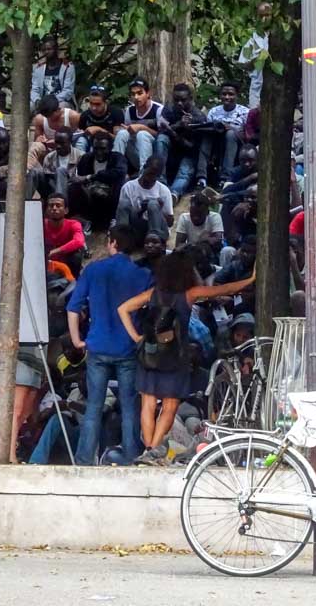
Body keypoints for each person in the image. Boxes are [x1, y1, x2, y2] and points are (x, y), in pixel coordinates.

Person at [118, 251, 255, 464]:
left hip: (150, 354)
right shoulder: (189, 295)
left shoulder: (153, 293)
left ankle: (148, 451)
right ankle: (152, 452)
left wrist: (137, 338)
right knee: (170, 405)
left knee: (148, 403)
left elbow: (123, 308)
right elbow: (223, 289)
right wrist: (251, 279)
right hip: (175, 356)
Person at [65, 226, 154, 465]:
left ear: (112, 242)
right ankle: (130, 458)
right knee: (129, 407)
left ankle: (84, 460)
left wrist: (76, 340)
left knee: (93, 406)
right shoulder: (143, 274)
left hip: (98, 347)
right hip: (128, 348)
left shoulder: (93, 270)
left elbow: (73, 308)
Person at [160, 83, 214, 195]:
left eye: (183, 100)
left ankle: (173, 194)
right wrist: (179, 125)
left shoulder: (198, 116)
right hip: (171, 152)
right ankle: (160, 180)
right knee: (161, 138)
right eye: (176, 100)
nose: (179, 103)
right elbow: (161, 131)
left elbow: (195, 148)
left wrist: (187, 129)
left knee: (184, 172)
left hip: (189, 154)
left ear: (190, 99)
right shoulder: (169, 109)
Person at [71, 131, 128, 229]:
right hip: (90, 194)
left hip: (111, 194)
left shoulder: (117, 157)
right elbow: (80, 177)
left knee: (122, 180)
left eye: (103, 148)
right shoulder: (86, 158)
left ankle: (113, 219)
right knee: (74, 185)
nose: (99, 152)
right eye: (96, 148)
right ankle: (81, 220)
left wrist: (91, 177)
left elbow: (120, 172)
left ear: (110, 148)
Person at [116, 156, 174, 242]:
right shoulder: (128, 187)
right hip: (137, 228)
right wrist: (142, 209)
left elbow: (170, 223)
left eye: (154, 175)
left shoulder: (164, 191)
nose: (149, 177)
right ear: (144, 167)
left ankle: (153, 241)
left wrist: (159, 209)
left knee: (153, 204)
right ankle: (122, 239)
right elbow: (122, 212)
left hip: (159, 230)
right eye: (149, 173)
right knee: (124, 203)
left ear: (159, 175)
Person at [116, 77, 167, 168]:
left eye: (140, 93)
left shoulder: (158, 109)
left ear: (148, 93)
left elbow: (162, 137)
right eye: (133, 94)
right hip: (136, 151)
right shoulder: (130, 111)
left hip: (155, 153)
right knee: (122, 133)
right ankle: (117, 168)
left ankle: (144, 172)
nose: (136, 97)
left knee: (142, 134)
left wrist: (141, 127)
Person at [209, 81, 251, 182]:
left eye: (231, 94)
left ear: (237, 95)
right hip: (217, 142)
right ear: (220, 95)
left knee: (230, 134)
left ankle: (226, 177)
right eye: (224, 94)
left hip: (237, 144)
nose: (227, 97)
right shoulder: (213, 112)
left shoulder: (245, 112)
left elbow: (248, 135)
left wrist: (232, 128)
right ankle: (202, 177)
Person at [28, 95, 81, 170]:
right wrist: (40, 140)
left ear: (58, 109)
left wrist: (59, 142)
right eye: (46, 116)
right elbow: (37, 139)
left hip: (69, 151)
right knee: (36, 146)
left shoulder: (73, 116)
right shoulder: (40, 119)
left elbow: (81, 136)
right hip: (49, 152)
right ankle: (27, 170)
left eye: (50, 115)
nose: (48, 118)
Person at [29, 129, 82, 201]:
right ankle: (25, 202)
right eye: (56, 142)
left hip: (72, 190)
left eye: (62, 143)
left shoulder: (80, 156)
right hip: (53, 189)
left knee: (60, 170)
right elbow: (48, 180)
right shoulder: (49, 157)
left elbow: (81, 180)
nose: (58, 146)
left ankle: (60, 202)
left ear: (70, 142)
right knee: (34, 172)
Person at [43, 194, 86, 277]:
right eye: (51, 206)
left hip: (66, 263)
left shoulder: (73, 224)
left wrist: (55, 251)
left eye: (58, 205)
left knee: (76, 256)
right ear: (47, 210)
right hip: (44, 262)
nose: (54, 208)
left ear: (66, 210)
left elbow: (79, 241)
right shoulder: (40, 224)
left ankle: (74, 282)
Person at [30, 35, 75, 109]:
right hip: (42, 102)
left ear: (56, 49)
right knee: (29, 106)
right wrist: (37, 100)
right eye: (44, 50)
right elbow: (34, 90)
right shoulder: (38, 68)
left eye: (49, 49)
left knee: (62, 106)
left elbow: (68, 91)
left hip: (60, 101)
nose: (46, 52)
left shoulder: (67, 67)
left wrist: (51, 101)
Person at [78, 84, 125, 152]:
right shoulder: (85, 115)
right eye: (91, 103)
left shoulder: (116, 113)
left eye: (97, 104)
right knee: (81, 140)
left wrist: (99, 130)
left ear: (106, 102)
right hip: (91, 146)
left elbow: (118, 140)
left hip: (111, 146)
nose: (94, 108)